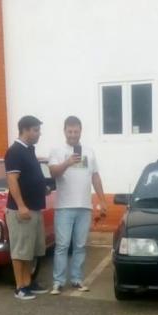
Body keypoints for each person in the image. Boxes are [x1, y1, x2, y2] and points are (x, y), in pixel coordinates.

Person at [47, 116, 107, 294]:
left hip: (84, 207)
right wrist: (67, 162)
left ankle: (77, 279)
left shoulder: (89, 151)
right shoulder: (56, 150)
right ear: (64, 131)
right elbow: (53, 173)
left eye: (76, 131)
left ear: (81, 131)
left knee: (80, 246)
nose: (73, 134)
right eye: (70, 131)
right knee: (62, 245)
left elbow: (95, 176)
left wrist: (102, 200)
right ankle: (58, 282)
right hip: (64, 207)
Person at [4, 115, 50, 300]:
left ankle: (28, 282)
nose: (39, 134)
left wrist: (42, 188)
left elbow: (29, 177)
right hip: (21, 210)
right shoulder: (15, 151)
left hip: (35, 208)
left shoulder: (29, 150)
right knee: (20, 250)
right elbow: (12, 180)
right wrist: (21, 206)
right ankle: (20, 287)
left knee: (31, 250)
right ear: (25, 130)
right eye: (36, 130)